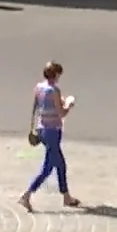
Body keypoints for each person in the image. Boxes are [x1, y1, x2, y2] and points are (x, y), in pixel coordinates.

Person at [20, 61, 81, 212]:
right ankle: (26, 195)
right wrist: (69, 104)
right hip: (52, 131)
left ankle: (66, 196)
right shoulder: (54, 90)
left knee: (60, 164)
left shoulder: (39, 87)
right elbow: (62, 113)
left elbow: (39, 106)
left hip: (42, 129)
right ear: (56, 74)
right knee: (48, 168)